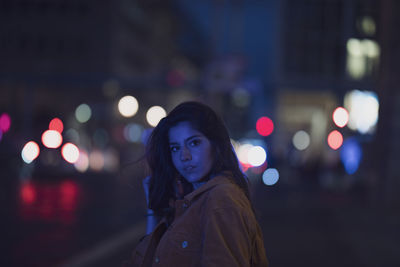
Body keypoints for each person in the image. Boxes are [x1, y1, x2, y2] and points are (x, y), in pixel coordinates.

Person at [127, 101, 268, 267]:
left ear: (215, 145)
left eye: (194, 143)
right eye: (175, 148)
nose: (184, 156)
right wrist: (154, 210)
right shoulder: (190, 201)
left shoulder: (221, 199)